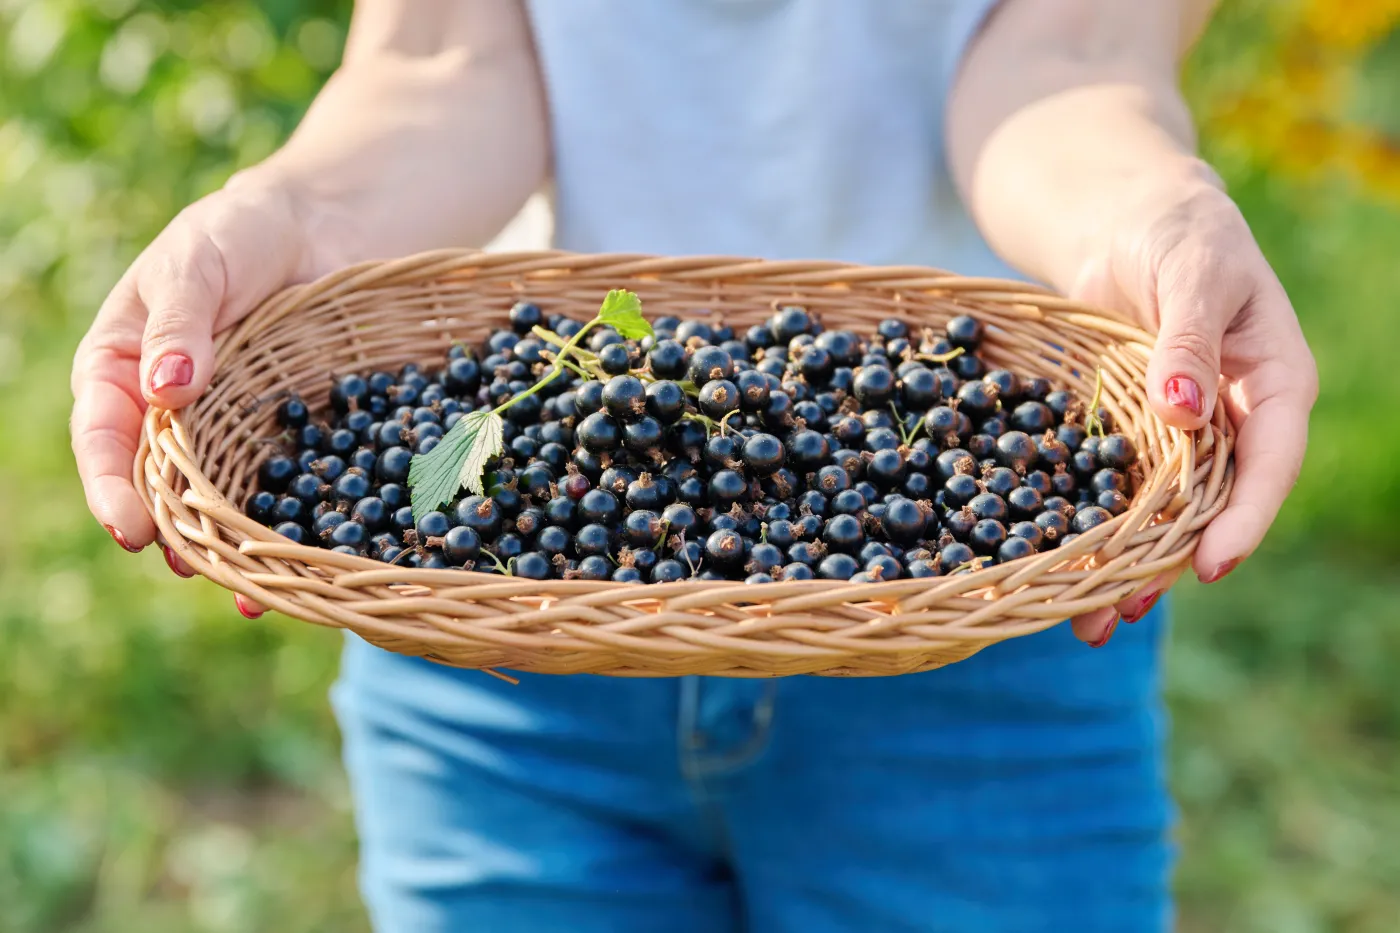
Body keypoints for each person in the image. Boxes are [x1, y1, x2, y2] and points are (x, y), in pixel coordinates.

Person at [70, 1, 1317, 930]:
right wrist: (291, 215)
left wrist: (1149, 212)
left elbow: (1073, 56)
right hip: (498, 650)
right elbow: (441, 56)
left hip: (987, 630)